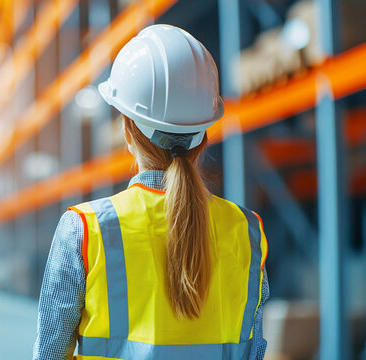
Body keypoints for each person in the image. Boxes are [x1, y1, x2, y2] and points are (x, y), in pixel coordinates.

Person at [33, 24, 269, 360]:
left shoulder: (85, 230)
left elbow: (49, 353)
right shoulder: (247, 233)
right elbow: (254, 349)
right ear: (202, 137)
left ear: (128, 130)